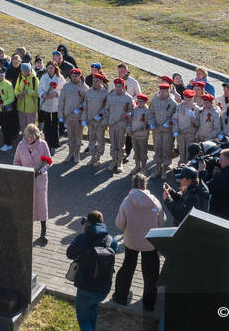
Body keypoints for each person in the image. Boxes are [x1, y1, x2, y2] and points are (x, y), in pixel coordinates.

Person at [112, 174, 164, 312]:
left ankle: (121, 297)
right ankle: (149, 304)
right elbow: (162, 221)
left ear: (132, 185)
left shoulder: (126, 202)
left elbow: (120, 224)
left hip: (131, 241)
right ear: (146, 184)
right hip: (150, 242)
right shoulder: (155, 201)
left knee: (127, 268)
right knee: (151, 274)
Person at [66, 210, 118, 331]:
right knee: (93, 308)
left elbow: (70, 253)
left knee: (83, 320)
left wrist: (83, 234)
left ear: (88, 223)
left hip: (85, 287)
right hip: (103, 288)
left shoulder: (83, 238)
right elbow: (115, 250)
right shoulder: (111, 239)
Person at [14, 123, 52, 245]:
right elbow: (16, 161)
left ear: (36, 136)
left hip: (40, 178)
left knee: (41, 203)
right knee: (27, 203)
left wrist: (40, 171)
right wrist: (21, 172)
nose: (29, 139)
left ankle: (43, 231)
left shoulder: (43, 144)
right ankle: (26, 229)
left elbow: (49, 161)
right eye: (27, 137)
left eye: (32, 137)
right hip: (26, 179)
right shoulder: (21, 145)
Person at [147, 80, 178, 178]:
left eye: (165, 91)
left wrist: (168, 124)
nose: (162, 92)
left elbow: (174, 117)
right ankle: (157, 170)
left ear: (169, 91)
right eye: (161, 91)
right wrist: (152, 123)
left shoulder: (173, 103)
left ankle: (164, 171)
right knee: (157, 149)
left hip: (167, 131)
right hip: (156, 130)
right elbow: (150, 114)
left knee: (166, 150)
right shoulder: (155, 100)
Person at [105, 77, 134, 173]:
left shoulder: (128, 98)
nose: (118, 88)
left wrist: (128, 115)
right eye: (116, 86)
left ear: (123, 87)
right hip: (112, 124)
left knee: (121, 144)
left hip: (122, 125)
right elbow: (107, 109)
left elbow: (131, 111)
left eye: (120, 86)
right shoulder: (110, 96)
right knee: (113, 143)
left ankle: (120, 162)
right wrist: (107, 120)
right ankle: (113, 160)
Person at [60, 68, 87, 163]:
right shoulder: (66, 86)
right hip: (68, 115)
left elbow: (86, 103)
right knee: (70, 136)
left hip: (78, 117)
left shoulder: (84, 87)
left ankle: (77, 155)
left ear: (80, 76)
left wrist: (82, 115)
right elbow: (61, 101)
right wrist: (60, 114)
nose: (74, 78)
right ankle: (70, 153)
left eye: (76, 76)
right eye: (72, 76)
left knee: (78, 137)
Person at [84, 71, 109, 167]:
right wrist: (84, 118)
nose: (95, 83)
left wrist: (101, 115)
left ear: (101, 82)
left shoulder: (105, 93)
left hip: (100, 121)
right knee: (91, 139)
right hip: (90, 121)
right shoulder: (89, 92)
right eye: (94, 81)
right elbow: (85, 106)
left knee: (100, 140)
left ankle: (98, 158)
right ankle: (92, 157)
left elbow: (107, 107)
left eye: (97, 81)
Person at [37, 62, 62, 150]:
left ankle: (55, 143)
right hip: (46, 104)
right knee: (47, 124)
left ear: (55, 68)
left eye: (52, 68)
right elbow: (39, 89)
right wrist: (42, 94)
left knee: (55, 124)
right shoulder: (44, 77)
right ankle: (47, 142)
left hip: (56, 104)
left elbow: (64, 90)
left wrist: (56, 93)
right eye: (49, 68)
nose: (50, 70)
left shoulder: (60, 78)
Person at [15, 61, 40, 134]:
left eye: (26, 71)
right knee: (22, 124)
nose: (24, 72)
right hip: (21, 106)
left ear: (30, 70)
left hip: (31, 107)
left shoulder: (34, 79)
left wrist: (28, 92)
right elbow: (16, 89)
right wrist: (18, 95)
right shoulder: (20, 78)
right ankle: (24, 138)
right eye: (23, 71)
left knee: (31, 126)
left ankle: (32, 139)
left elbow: (38, 93)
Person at [129, 95, 151, 174]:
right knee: (136, 151)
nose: (140, 103)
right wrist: (129, 130)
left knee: (143, 152)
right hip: (134, 135)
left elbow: (150, 123)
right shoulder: (134, 110)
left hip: (143, 135)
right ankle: (137, 166)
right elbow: (129, 122)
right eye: (139, 102)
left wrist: (144, 127)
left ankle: (144, 168)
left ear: (145, 102)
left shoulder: (148, 111)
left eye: (142, 102)